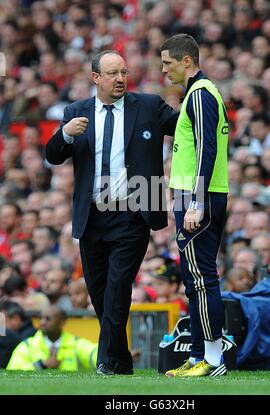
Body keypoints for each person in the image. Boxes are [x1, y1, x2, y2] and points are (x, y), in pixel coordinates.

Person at [45, 50, 177, 376]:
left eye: (124, 72)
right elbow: (53, 155)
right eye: (112, 73)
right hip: (92, 217)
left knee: (118, 287)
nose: (120, 79)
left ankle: (105, 362)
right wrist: (64, 134)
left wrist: (200, 93)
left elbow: (186, 124)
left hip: (132, 213)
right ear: (96, 78)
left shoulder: (147, 105)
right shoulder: (76, 112)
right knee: (100, 293)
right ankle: (121, 362)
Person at [160, 34, 228, 377]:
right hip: (197, 195)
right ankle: (200, 354)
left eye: (168, 62)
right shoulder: (199, 93)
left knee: (202, 279)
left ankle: (213, 360)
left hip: (198, 196)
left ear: (187, 61)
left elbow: (207, 149)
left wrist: (197, 201)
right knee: (193, 278)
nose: (163, 70)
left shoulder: (200, 95)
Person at [6, 305, 97, 371]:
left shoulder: (76, 343)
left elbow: (96, 355)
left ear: (62, 322)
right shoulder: (27, 345)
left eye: (47, 319)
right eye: (41, 318)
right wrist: (42, 365)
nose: (42, 322)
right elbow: (13, 369)